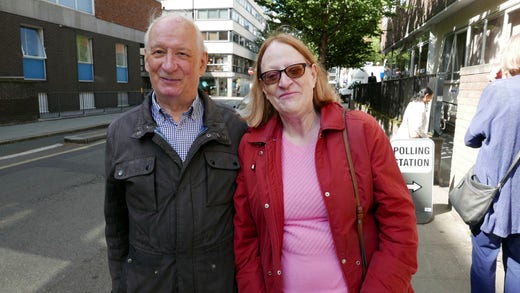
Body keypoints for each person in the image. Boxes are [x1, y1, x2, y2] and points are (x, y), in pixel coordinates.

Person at [233, 33, 418, 292]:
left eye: (294, 70)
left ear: (313, 74)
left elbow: (400, 228)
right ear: (264, 87)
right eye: (272, 76)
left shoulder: (360, 131)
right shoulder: (253, 147)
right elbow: (246, 238)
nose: (284, 82)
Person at [104, 13, 247, 292]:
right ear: (147, 60)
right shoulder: (120, 132)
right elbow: (116, 226)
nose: (169, 65)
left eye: (182, 53)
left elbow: (250, 224)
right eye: (159, 52)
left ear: (202, 62)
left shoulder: (235, 130)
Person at [464, 33, 520, 293]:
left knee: (484, 263)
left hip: (491, 201)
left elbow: (471, 138)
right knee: (518, 267)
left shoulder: (498, 91)